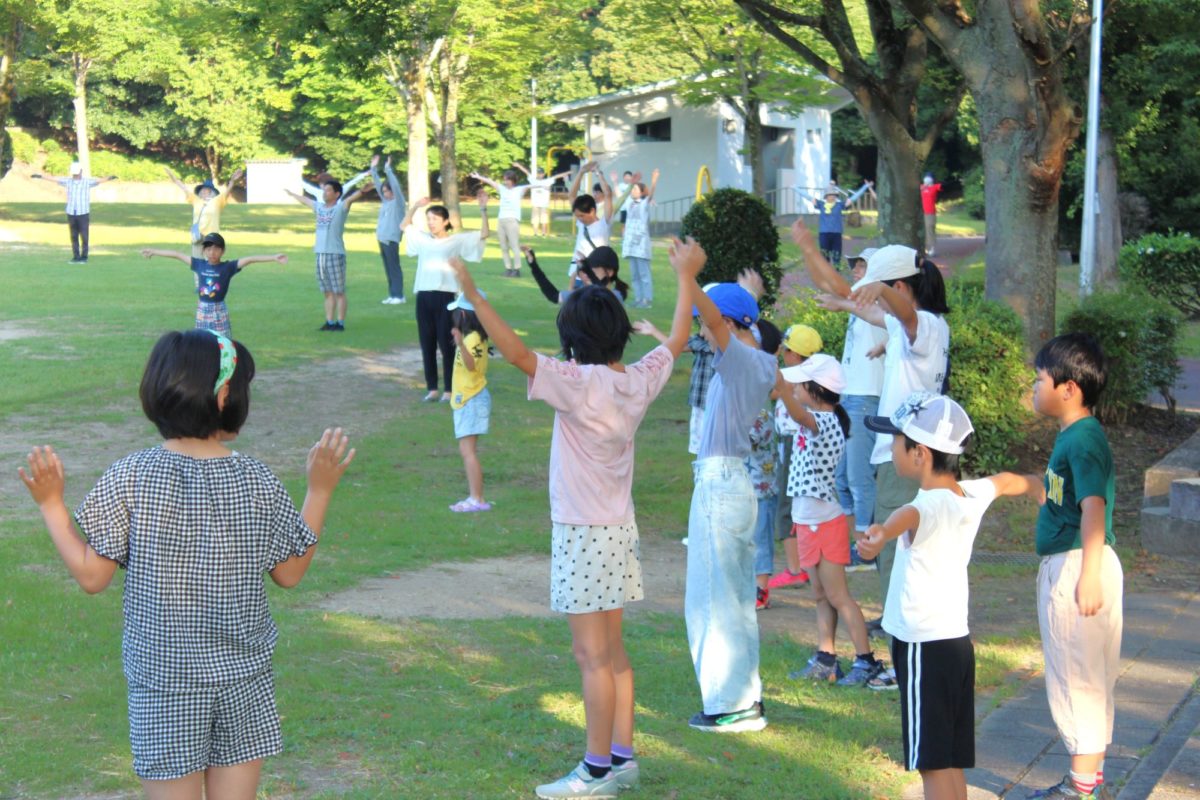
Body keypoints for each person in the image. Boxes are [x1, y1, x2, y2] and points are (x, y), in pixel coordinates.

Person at [18, 328, 354, 797]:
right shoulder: (255, 478)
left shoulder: (131, 474)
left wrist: (51, 504)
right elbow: (291, 572)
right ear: (222, 396)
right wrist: (318, 491)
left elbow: (93, 576)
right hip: (244, 680)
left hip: (165, 685)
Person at [445, 237, 690, 799]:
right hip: (618, 531)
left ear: (571, 340)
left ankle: (597, 770)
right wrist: (685, 277)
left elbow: (515, 353)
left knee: (591, 656)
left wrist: (475, 293)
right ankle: (621, 757)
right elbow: (675, 340)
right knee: (613, 652)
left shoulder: (577, 385)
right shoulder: (636, 380)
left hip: (584, 535)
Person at [858, 392, 1043, 800]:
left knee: (932, 763)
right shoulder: (969, 494)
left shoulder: (927, 505)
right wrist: (1036, 486)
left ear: (920, 453)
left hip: (924, 646)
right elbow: (1008, 481)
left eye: (897, 439)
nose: (891, 447)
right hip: (956, 645)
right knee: (949, 761)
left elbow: (907, 517)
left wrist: (880, 534)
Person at [795, 220, 950, 689]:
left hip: (905, 462)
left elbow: (898, 310)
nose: (876, 298)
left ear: (901, 287)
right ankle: (909, 667)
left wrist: (878, 288)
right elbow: (846, 292)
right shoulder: (909, 328)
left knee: (899, 561)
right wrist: (810, 252)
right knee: (897, 560)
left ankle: (908, 673)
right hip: (897, 457)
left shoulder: (923, 325)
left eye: (885, 288)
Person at [680, 247, 778, 733]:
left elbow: (719, 326)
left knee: (713, 598)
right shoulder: (757, 359)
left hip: (721, 483)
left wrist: (689, 277)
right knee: (733, 597)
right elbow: (729, 324)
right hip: (730, 482)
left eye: (706, 320)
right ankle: (742, 700)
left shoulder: (739, 358)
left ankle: (731, 706)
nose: (701, 328)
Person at [1023, 333, 1123, 800]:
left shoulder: (1081, 439)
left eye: (1039, 378)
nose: (1034, 386)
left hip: (1077, 566)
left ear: (1069, 389)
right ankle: (1088, 781)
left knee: (1075, 677)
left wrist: (1087, 575)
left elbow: (1094, 506)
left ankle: (1078, 790)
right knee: (1091, 676)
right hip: (1087, 562)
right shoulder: (1080, 435)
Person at [776, 354, 884, 686]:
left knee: (838, 596)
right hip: (807, 521)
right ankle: (826, 659)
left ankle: (866, 662)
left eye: (799, 383)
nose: (794, 388)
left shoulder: (823, 422)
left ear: (814, 389)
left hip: (825, 524)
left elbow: (796, 413)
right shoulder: (816, 418)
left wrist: (780, 386)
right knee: (820, 595)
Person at [829, 248, 890, 572]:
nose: (855, 271)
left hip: (866, 399)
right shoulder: (859, 308)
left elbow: (843, 293)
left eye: (862, 266)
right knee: (841, 478)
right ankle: (858, 544)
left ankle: (866, 552)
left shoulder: (877, 304)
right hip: (848, 398)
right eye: (854, 265)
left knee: (858, 478)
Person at [402, 193, 490, 402]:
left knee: (447, 342)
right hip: (424, 295)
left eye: (435, 219)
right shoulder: (423, 239)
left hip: (446, 298)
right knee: (427, 342)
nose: (431, 223)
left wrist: (483, 209)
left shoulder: (455, 241)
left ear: (446, 222)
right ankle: (432, 388)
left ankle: (449, 389)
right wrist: (415, 206)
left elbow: (484, 234)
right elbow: (404, 225)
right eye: (429, 219)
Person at [140, 232, 288, 336]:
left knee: (222, 342)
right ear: (204, 250)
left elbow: (250, 259)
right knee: (202, 342)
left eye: (216, 249)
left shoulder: (228, 267)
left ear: (222, 251)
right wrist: (153, 251)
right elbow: (177, 255)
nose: (212, 252)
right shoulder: (198, 264)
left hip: (219, 310)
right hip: (203, 309)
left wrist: (273, 257)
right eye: (209, 249)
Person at [768, 324, 822, 592]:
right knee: (800, 502)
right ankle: (806, 564)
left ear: (794, 354)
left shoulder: (792, 376)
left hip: (792, 442)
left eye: (786, 350)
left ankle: (795, 569)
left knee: (786, 505)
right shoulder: (814, 374)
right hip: (796, 442)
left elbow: (771, 391)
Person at [283, 179, 370, 332]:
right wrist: (291, 194)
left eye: (328, 190)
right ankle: (329, 322)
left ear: (337, 194)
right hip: (320, 255)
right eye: (324, 190)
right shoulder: (319, 208)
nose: (325, 193)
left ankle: (340, 323)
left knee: (339, 291)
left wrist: (362, 191)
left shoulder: (340, 208)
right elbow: (306, 200)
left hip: (335, 254)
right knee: (327, 292)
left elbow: (350, 199)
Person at [747, 320, 783, 610]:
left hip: (761, 487)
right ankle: (750, 585)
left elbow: (744, 439)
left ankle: (761, 589)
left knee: (759, 538)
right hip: (748, 486)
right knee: (748, 537)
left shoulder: (759, 412)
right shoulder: (754, 407)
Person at [448, 291, 491, 513]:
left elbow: (471, 365)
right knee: (467, 450)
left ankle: (477, 498)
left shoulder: (472, 339)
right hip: (469, 397)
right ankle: (476, 497)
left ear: (464, 315)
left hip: (471, 398)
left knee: (468, 451)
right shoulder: (476, 337)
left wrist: (460, 344)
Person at [31, 162, 117, 264]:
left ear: (80, 171)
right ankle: (76, 257)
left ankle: (84, 257)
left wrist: (109, 178)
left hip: (83, 212)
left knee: (84, 236)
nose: (75, 175)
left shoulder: (86, 182)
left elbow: (98, 180)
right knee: (74, 236)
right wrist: (41, 176)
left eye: (76, 173)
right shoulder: (68, 181)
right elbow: (54, 179)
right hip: (71, 212)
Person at [164, 166, 243, 259]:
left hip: (211, 237)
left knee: (210, 263)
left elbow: (228, 191)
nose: (204, 192)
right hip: (197, 236)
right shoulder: (196, 200)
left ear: (212, 192)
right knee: (197, 264)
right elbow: (183, 187)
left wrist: (233, 181)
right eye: (203, 191)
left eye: (207, 191)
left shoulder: (217, 201)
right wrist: (173, 177)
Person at [472, 166, 532, 277]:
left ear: (513, 180)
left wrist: (546, 183)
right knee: (504, 247)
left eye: (507, 179)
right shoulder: (502, 189)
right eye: (504, 179)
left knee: (514, 245)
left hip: (512, 220)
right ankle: (508, 268)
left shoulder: (519, 190)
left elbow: (534, 184)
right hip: (501, 220)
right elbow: (490, 182)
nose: (505, 182)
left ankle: (517, 269)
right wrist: (478, 176)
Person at [522, 244, 629, 305]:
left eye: (593, 271)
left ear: (609, 272)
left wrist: (587, 271)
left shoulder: (616, 297)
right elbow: (553, 296)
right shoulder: (583, 294)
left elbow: (603, 296)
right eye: (588, 271)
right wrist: (533, 265)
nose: (588, 274)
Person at [369, 154, 408, 305]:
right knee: (388, 268)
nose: (385, 194)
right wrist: (373, 169)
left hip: (391, 238)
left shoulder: (398, 202)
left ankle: (399, 295)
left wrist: (387, 169)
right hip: (382, 238)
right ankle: (393, 294)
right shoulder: (385, 202)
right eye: (384, 192)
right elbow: (378, 185)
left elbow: (396, 187)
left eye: (387, 191)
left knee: (394, 267)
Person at [567, 161, 615, 281]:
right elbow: (571, 196)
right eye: (577, 216)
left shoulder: (604, 223)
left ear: (592, 211)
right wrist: (581, 172)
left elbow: (608, 194)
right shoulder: (580, 223)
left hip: (597, 274)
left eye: (582, 216)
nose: (579, 219)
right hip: (578, 272)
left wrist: (598, 173)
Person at [808, 180, 872, 267]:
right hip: (824, 234)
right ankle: (826, 273)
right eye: (831, 195)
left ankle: (837, 273)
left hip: (836, 234)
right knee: (824, 256)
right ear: (826, 196)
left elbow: (854, 198)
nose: (833, 197)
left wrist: (865, 187)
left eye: (834, 195)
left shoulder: (839, 205)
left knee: (837, 256)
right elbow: (807, 196)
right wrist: (795, 188)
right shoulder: (821, 204)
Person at [620, 169, 659, 309]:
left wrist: (654, 180)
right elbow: (624, 195)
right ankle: (638, 298)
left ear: (642, 192)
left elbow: (651, 194)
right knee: (635, 275)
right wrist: (632, 182)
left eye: (636, 188)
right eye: (633, 188)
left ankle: (647, 300)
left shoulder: (644, 204)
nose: (633, 190)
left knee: (644, 274)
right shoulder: (630, 202)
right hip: (630, 244)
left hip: (641, 245)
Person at [513, 162, 570, 238]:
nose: (539, 175)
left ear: (543, 174)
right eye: (538, 173)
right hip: (535, 203)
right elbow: (526, 172)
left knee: (544, 219)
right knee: (535, 219)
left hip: (544, 203)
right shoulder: (533, 180)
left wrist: (568, 172)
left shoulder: (547, 181)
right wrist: (519, 165)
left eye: (541, 173)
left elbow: (557, 176)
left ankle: (543, 233)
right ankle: (535, 233)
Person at [920, 174, 943, 257]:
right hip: (923, 212)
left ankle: (932, 248)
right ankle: (925, 248)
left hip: (930, 213)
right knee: (924, 230)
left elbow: (941, 186)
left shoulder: (934, 187)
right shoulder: (921, 187)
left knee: (930, 229)